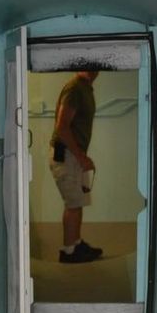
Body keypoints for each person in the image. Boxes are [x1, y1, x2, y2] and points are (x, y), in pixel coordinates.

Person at [49, 69, 103, 263]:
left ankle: (75, 244)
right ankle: (69, 252)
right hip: (66, 154)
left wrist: (80, 156)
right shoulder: (74, 89)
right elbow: (62, 127)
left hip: (73, 154)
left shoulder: (85, 88)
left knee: (78, 202)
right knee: (73, 204)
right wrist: (81, 157)